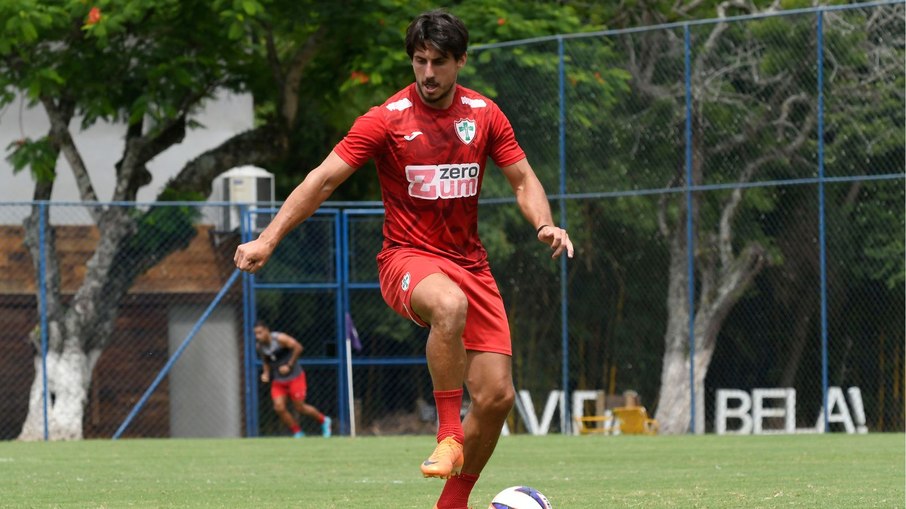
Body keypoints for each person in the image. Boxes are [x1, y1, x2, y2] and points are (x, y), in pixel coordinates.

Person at [235, 10, 573, 509]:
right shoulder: (386, 119)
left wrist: (544, 223)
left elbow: (523, 180)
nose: (428, 72)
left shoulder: (484, 115)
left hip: (471, 263)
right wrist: (268, 238)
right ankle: (448, 433)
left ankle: (452, 502)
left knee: (498, 396)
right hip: (406, 258)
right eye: (420, 61)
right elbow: (322, 179)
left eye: (439, 61)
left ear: (460, 61)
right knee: (449, 305)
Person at [254, 320, 332, 438]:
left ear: (266, 330)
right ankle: (298, 432)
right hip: (279, 381)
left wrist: (289, 365)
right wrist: (266, 373)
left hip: (295, 377)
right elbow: (266, 360)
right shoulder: (259, 346)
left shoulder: (280, 339)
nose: (258, 336)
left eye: (260, 333)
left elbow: (298, 347)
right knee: (279, 407)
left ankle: (324, 420)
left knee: (300, 407)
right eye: (256, 334)